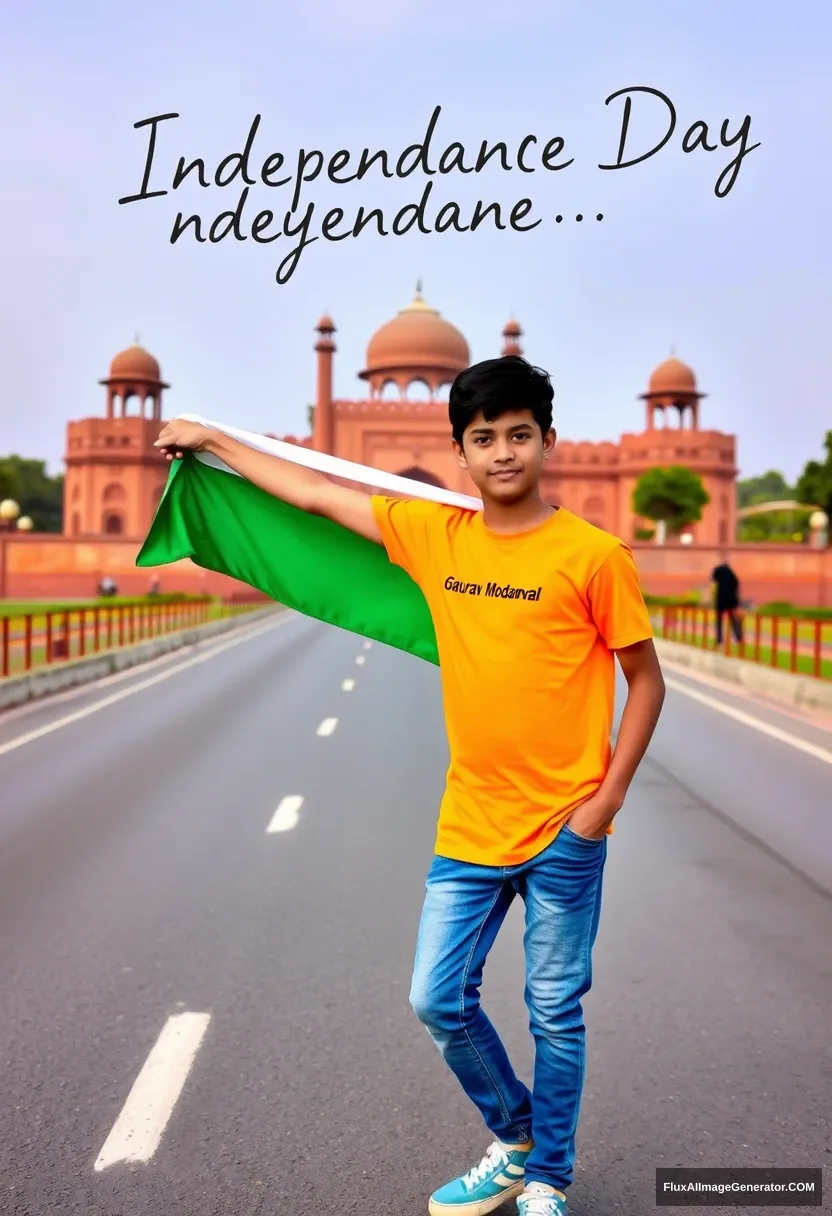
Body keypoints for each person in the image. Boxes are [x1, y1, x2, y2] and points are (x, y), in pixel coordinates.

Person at [154, 355, 666, 1216]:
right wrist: (211, 437)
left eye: (518, 435)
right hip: (471, 822)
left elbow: (645, 680)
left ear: (547, 439)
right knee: (436, 997)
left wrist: (604, 803)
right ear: (459, 455)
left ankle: (548, 1179)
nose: (502, 453)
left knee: (554, 1013)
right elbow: (315, 495)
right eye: (483, 439)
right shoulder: (436, 537)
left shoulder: (594, 556)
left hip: (566, 829)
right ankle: (518, 1137)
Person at [711, 554, 743, 646]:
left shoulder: (717, 571)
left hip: (720, 599)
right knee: (734, 620)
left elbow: (713, 585)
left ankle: (719, 640)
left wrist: (712, 598)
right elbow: (736, 588)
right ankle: (738, 638)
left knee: (719, 621)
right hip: (731, 600)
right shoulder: (733, 576)